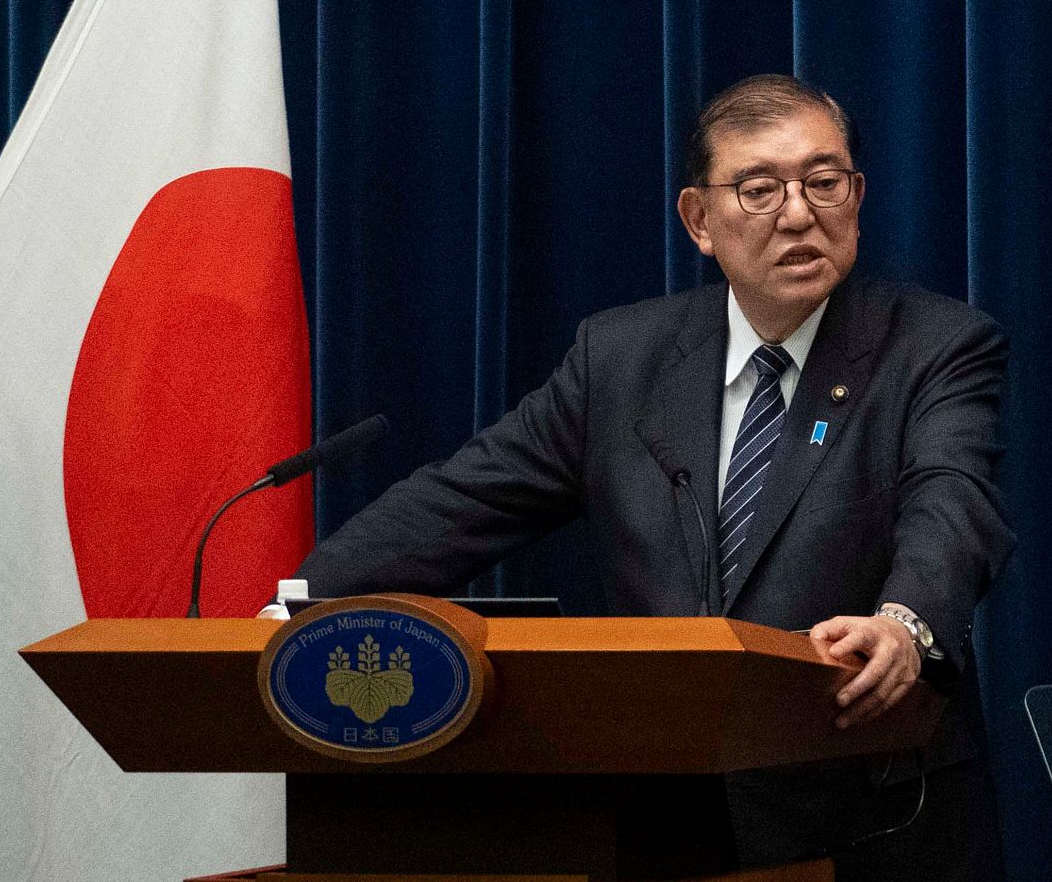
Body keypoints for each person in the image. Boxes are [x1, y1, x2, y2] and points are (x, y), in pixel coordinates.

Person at [287, 74, 1012, 881]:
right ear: (699, 220)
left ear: (858, 196)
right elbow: (461, 502)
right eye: (760, 189)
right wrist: (295, 604)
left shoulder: (935, 346)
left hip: (872, 823)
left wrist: (906, 624)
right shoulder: (620, 360)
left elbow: (952, 502)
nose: (799, 213)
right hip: (669, 825)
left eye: (824, 181)